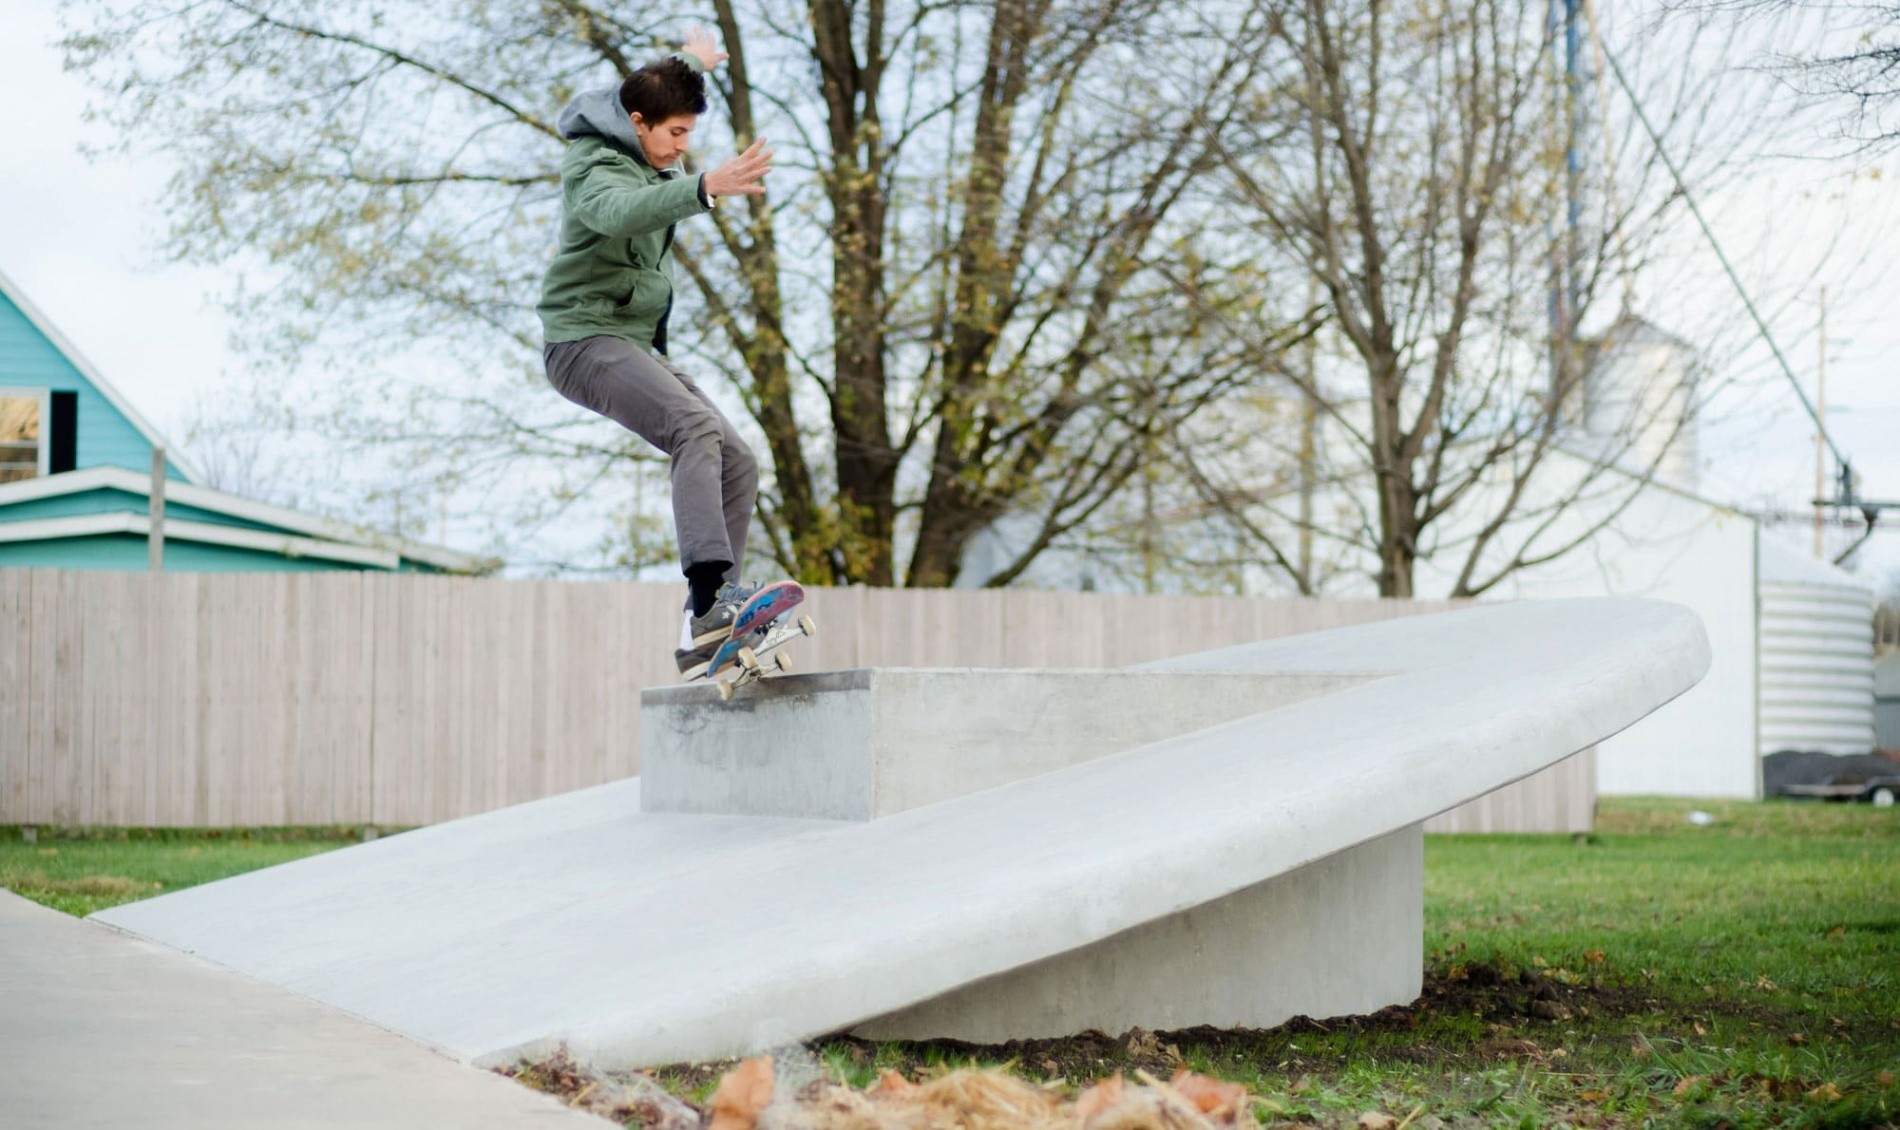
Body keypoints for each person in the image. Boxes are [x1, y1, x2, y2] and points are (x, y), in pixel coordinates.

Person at [536, 28, 775, 673]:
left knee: (739, 461)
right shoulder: (594, 166)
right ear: (636, 123)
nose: (681, 149)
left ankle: (703, 635)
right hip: (582, 343)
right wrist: (704, 188)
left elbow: (661, 79)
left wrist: (694, 62)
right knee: (692, 427)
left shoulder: (642, 120)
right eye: (673, 135)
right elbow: (617, 214)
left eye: (690, 136)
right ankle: (709, 599)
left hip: (628, 343)